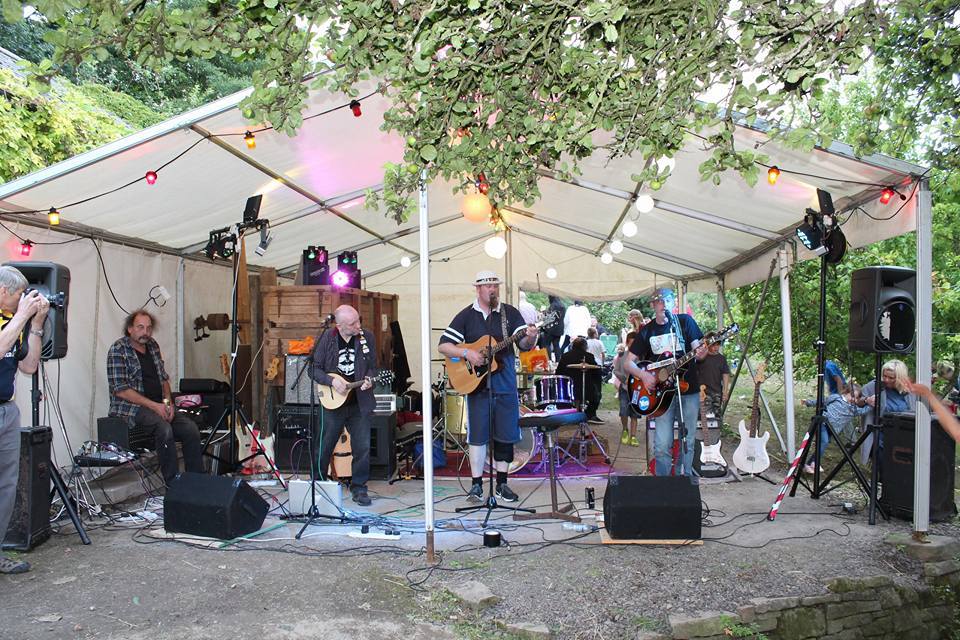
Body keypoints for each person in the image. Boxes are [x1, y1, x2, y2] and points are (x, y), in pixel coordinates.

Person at [438, 271, 538, 503]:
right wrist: (467, 353)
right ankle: (476, 485)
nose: (493, 290)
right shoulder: (466, 316)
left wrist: (531, 336)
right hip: (477, 386)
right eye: (488, 286)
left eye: (495, 286)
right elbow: (444, 346)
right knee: (478, 435)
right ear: (478, 289)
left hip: (505, 383)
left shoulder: (510, 313)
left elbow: (523, 344)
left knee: (505, 435)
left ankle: (502, 484)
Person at [108, 310, 203, 487]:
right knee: (164, 429)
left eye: (149, 328)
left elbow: (163, 378)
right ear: (130, 329)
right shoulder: (118, 349)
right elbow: (120, 390)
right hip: (131, 408)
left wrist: (168, 404)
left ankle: (196, 483)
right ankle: (173, 485)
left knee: (190, 429)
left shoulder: (153, 346)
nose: (146, 332)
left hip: (157, 405)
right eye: (140, 327)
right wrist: (155, 406)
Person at [624, 287, 704, 478]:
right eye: (660, 301)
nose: (664, 304)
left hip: (688, 389)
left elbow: (699, 352)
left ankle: (685, 484)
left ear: (673, 303)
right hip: (661, 396)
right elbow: (628, 362)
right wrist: (644, 376)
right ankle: (663, 485)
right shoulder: (647, 331)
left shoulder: (685, 322)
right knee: (661, 444)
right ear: (653, 305)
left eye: (668, 300)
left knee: (688, 440)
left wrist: (702, 351)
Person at [0, 266, 49, 574]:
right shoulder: (10, 322)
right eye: (20, 295)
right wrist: (22, 316)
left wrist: (37, 323)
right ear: (4, 291)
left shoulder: (13, 323)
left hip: (7, 410)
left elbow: (30, 366)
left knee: (6, 487)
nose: (23, 301)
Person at [309, 304, 378, 506]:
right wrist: (332, 382)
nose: (358, 325)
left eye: (359, 320)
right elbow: (313, 369)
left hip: (359, 402)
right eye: (352, 323)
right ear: (339, 325)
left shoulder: (367, 338)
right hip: (333, 402)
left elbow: (374, 367)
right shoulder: (327, 338)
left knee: (363, 447)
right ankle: (319, 484)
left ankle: (359, 487)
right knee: (324, 445)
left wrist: (370, 379)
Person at [804, 383, 870, 474]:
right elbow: (823, 401)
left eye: (856, 398)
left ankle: (809, 463)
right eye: (852, 396)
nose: (853, 399)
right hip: (822, 423)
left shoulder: (852, 409)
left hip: (832, 430)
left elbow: (863, 411)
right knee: (824, 441)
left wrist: (871, 405)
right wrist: (808, 402)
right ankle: (814, 462)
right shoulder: (836, 398)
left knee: (823, 444)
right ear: (846, 392)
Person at [859, 359, 916, 465]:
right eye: (884, 376)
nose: (886, 380)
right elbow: (856, 400)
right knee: (883, 465)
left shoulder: (909, 391)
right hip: (881, 434)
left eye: (891, 378)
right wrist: (866, 400)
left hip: (904, 435)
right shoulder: (874, 386)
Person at [558, 337, 603, 424]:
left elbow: (559, 372)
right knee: (596, 393)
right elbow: (597, 372)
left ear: (573, 346)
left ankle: (568, 413)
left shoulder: (565, 356)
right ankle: (590, 414)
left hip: (568, 388)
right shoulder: (589, 356)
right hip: (586, 388)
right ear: (585, 347)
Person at [697, 331, 731, 421]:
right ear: (708, 344)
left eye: (718, 344)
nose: (716, 347)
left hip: (717, 392)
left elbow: (726, 374)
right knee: (705, 418)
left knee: (717, 418)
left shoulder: (721, 359)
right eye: (713, 345)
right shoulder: (701, 358)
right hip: (703, 393)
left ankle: (716, 434)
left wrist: (725, 391)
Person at [613, 332, 639, 446]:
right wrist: (624, 379)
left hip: (636, 389)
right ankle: (625, 430)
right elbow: (616, 370)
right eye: (631, 343)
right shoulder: (621, 356)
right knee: (623, 411)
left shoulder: (640, 356)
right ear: (627, 342)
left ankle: (633, 436)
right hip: (624, 388)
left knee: (634, 413)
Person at [542, 295, 566, 360]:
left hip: (550, 329)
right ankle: (558, 361)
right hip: (559, 329)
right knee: (556, 345)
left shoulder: (553, 306)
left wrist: (544, 313)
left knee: (547, 345)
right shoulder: (562, 306)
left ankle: (549, 360)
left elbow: (549, 318)